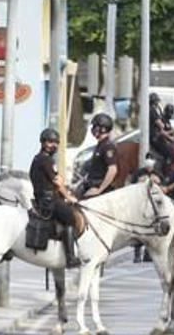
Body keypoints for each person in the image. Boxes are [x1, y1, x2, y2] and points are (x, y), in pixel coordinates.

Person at [30, 127, 80, 268]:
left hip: (44, 198)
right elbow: (57, 182)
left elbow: (56, 180)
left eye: (56, 142)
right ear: (43, 142)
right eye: (51, 142)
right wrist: (68, 197)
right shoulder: (46, 160)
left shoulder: (38, 158)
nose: (54, 145)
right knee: (71, 217)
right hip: (49, 201)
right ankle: (70, 258)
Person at [76, 113, 119, 198]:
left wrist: (100, 190)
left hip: (98, 190)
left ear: (103, 129)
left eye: (95, 126)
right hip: (90, 185)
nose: (93, 129)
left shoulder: (108, 146)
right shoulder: (101, 145)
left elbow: (112, 170)